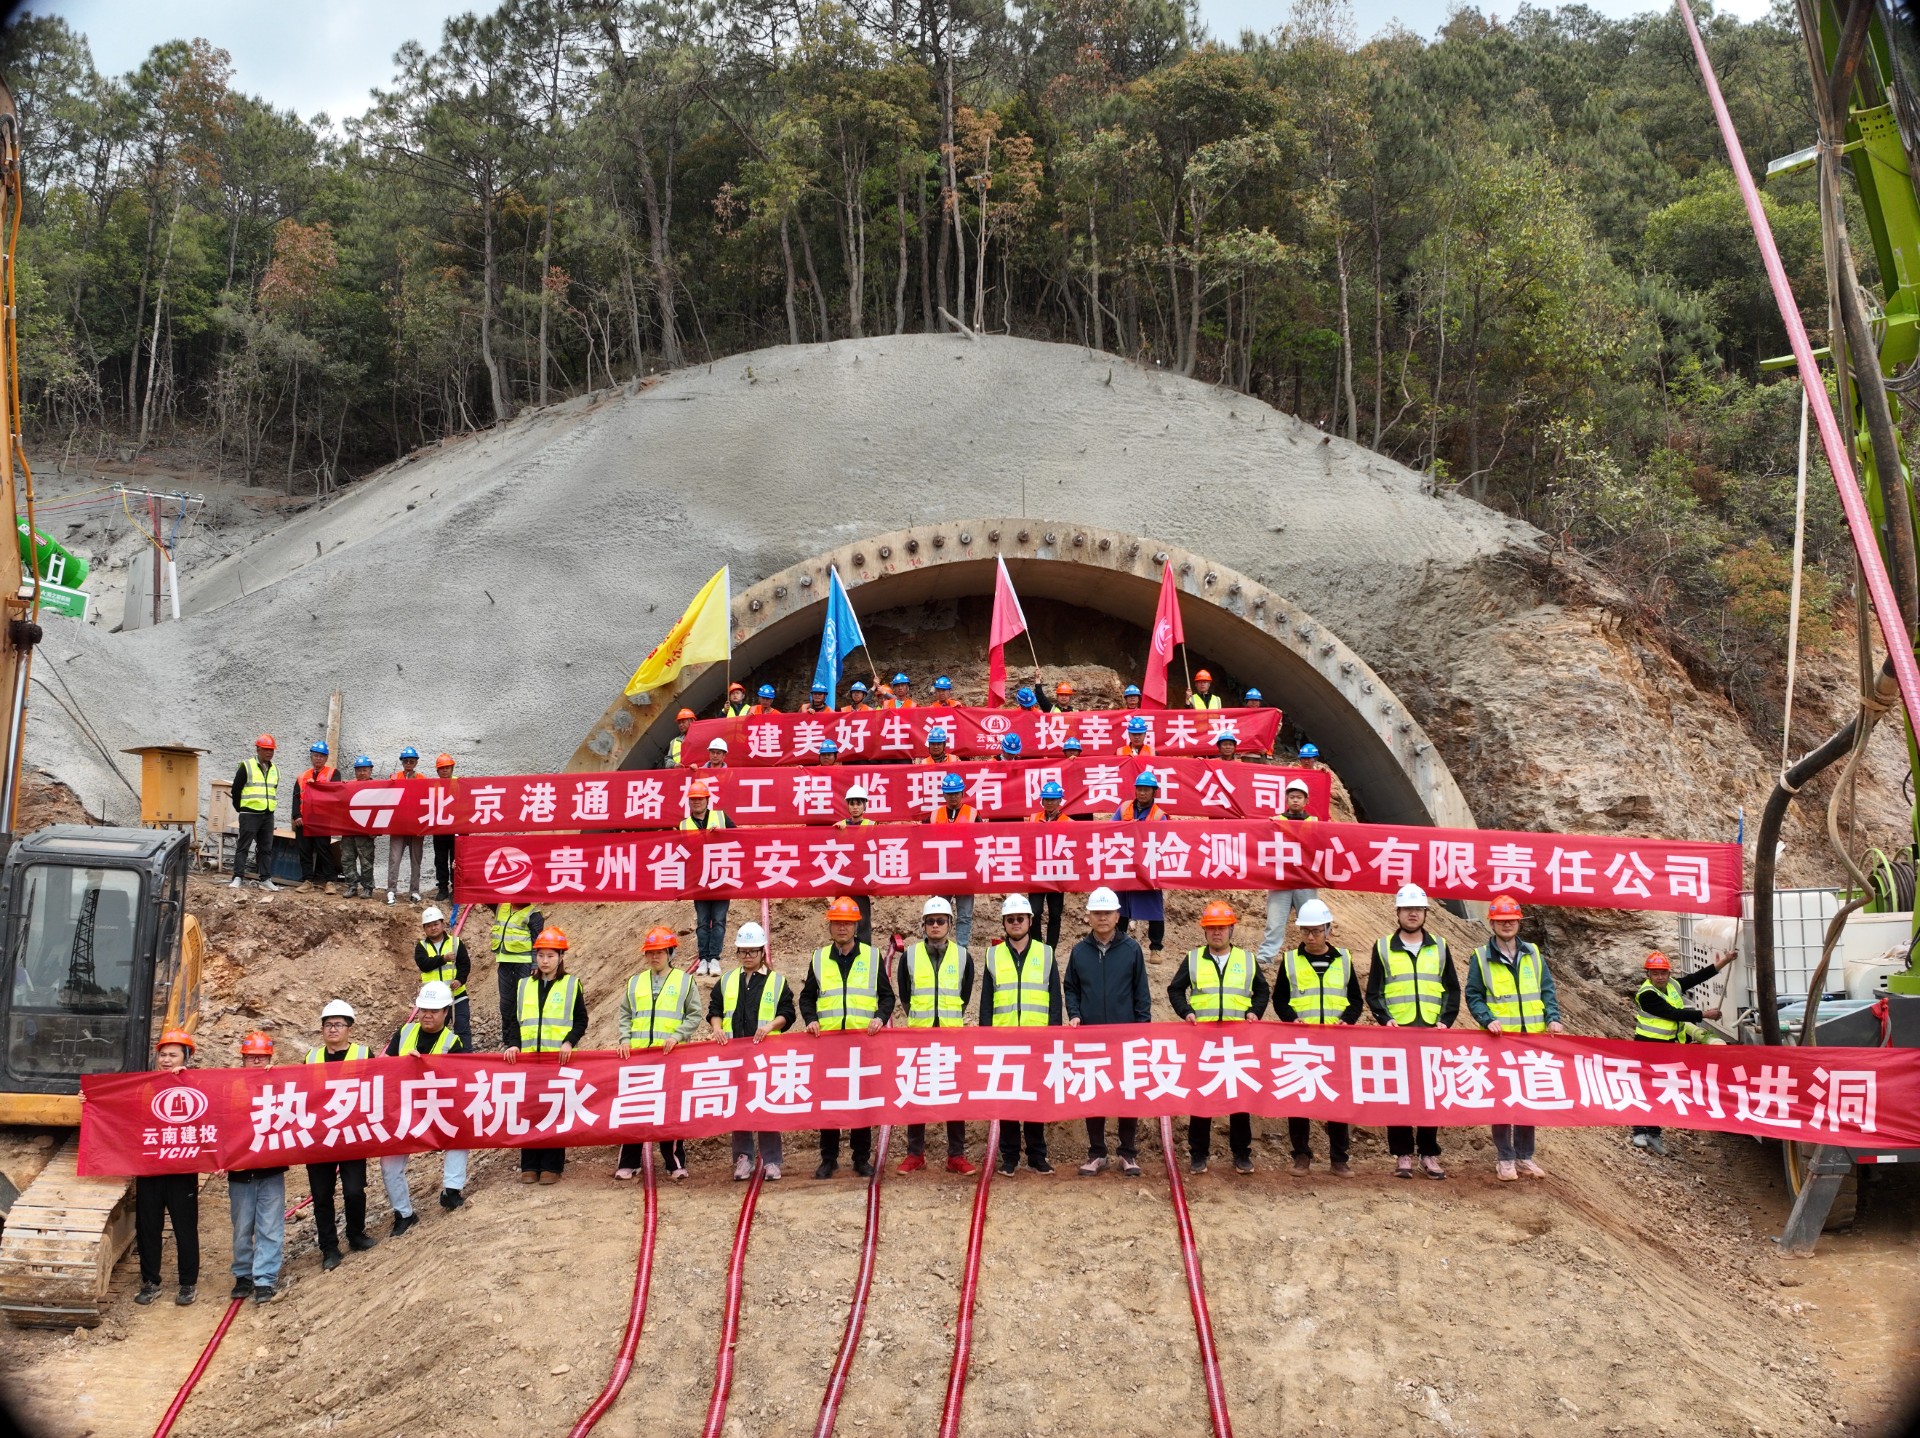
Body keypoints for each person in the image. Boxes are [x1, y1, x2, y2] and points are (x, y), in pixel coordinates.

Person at [1464, 895, 1564, 1181]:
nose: (1507, 924)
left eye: (1511, 919)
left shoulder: (1532, 952)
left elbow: (1547, 990)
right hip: (1500, 1041)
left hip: (1531, 1040)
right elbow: (1473, 996)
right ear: (1492, 923)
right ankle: (1505, 1158)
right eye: (1501, 920)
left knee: (1527, 1100)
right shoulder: (1481, 957)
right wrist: (1487, 1020)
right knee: (1503, 1100)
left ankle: (1524, 1157)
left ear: (1519, 921)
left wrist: (1553, 1018)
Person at [1365, 884, 1459, 1178]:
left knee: (1429, 1094)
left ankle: (1429, 1154)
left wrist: (1446, 1020)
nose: (1413, 914)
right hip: (1398, 1033)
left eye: (1417, 909)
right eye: (1407, 909)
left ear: (1425, 912)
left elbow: (1452, 990)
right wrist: (1384, 1019)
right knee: (1400, 1095)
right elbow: (1374, 992)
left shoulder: (1440, 947)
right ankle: (1403, 1154)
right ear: (1398, 913)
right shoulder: (1383, 948)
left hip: (1432, 1031)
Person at [1169, 901, 1270, 1175]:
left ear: (1231, 929)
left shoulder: (1246, 960)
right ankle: (1198, 1155)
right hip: (1203, 1041)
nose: (1217, 933)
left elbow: (1262, 991)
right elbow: (1175, 990)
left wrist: (1254, 1012)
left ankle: (1241, 1155)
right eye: (1212, 928)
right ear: (1204, 931)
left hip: (1237, 1040)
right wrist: (1186, 1011)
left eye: (1222, 927)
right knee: (1202, 1098)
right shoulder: (1193, 959)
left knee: (1239, 1099)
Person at [800, 896, 895, 1178]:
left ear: (857, 926)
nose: (842, 928)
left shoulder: (872, 956)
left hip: (861, 1042)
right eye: (837, 923)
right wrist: (811, 1019)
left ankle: (861, 1158)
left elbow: (887, 996)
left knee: (860, 1102)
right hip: (829, 1044)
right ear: (830, 927)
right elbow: (807, 998)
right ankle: (828, 1159)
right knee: (829, 1102)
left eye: (848, 923)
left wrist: (879, 1017)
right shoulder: (819, 959)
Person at [1063, 887, 1152, 1175]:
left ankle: (1127, 1153)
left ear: (1117, 915)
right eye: (1097, 913)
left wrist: (1142, 1027)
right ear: (1088, 917)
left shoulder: (1131, 950)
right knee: (1094, 1092)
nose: (1102, 918)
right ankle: (1097, 1153)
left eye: (1108, 913)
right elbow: (1071, 988)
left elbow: (1141, 992)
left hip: (1125, 1035)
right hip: (1091, 1035)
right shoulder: (1079, 952)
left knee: (1128, 1092)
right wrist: (1075, 1015)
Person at [1273, 898, 1361, 1174]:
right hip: (1302, 1043)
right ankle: (1301, 1155)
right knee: (1299, 1100)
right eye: (1305, 931)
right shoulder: (1290, 961)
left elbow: (1356, 1000)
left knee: (1337, 1100)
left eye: (1316, 931)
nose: (1310, 937)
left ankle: (1339, 1158)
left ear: (1328, 930)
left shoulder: (1344, 960)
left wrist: (1347, 1021)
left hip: (1336, 1042)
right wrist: (1291, 1019)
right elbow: (1280, 1000)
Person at [979, 894, 1061, 1174]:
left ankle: (1037, 1156)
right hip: (1004, 1041)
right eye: (1010, 919)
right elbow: (986, 1001)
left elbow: (1054, 999)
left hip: (1037, 1039)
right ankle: (1010, 1158)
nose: (1015, 923)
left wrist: (1053, 1035)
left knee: (1035, 1100)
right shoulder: (993, 954)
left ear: (1030, 921)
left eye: (1020, 919)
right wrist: (985, 1036)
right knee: (1008, 1102)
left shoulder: (1046, 953)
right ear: (1004, 922)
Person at [896, 897, 976, 1175]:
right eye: (930, 921)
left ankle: (956, 1155)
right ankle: (915, 1154)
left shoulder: (964, 956)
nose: (935, 925)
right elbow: (905, 995)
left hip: (951, 1036)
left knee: (954, 1095)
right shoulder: (909, 956)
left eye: (941, 921)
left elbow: (964, 995)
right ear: (923, 925)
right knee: (916, 1093)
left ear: (950, 924)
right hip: (919, 1036)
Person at [616, 927, 703, 1181]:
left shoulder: (684, 981)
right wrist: (625, 1039)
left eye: (660, 952)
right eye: (650, 953)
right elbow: (625, 1014)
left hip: (670, 1058)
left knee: (669, 1112)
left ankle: (675, 1163)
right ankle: (629, 1162)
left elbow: (694, 1014)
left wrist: (677, 1036)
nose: (655, 957)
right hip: (640, 1058)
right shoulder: (635, 982)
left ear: (670, 953)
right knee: (633, 1110)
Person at [710, 921, 795, 1180]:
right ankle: (743, 1158)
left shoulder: (777, 982)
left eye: (752, 951)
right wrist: (716, 1027)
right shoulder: (727, 981)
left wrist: (770, 1026)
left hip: (765, 1057)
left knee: (765, 1107)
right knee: (739, 1108)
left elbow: (788, 1013)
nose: (747, 956)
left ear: (762, 952)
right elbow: (714, 1010)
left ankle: (771, 1161)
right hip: (735, 1056)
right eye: (743, 951)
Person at [381, 982, 469, 1227]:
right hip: (404, 1109)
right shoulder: (405, 1033)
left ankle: (452, 1191)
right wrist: (402, 1064)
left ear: (445, 1013)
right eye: (423, 1009)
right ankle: (404, 1214)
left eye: (433, 1010)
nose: (427, 1015)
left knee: (461, 1135)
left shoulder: (454, 1043)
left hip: (436, 1108)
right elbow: (384, 1068)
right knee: (389, 1164)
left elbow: (458, 1080)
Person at [504, 928, 587, 1184]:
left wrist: (569, 1042)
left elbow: (581, 1020)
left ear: (560, 957)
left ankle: (551, 1166)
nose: (544, 960)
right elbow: (513, 1021)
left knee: (553, 1111)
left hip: (556, 1062)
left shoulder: (571, 984)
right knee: (530, 1111)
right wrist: (513, 1044)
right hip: (529, 1061)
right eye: (540, 955)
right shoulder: (523, 986)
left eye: (550, 955)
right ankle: (529, 1165)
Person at [1630, 948, 1732, 1154]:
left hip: (1668, 1047)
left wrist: (1723, 963)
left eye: (1663, 973)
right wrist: (1704, 1014)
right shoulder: (1647, 994)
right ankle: (1639, 1131)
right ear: (1648, 974)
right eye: (1655, 973)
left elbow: (1696, 978)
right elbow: (1671, 1013)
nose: (1660, 977)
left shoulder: (1673, 985)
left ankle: (1654, 1133)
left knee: (1663, 1088)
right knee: (1646, 1087)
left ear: (1669, 973)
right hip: (1647, 1046)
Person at [304, 1000, 376, 1271]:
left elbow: (378, 1087)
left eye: (338, 1024)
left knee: (354, 1190)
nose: (332, 1029)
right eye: (328, 1025)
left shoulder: (363, 1053)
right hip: (320, 1137)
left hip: (352, 1134)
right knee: (322, 1196)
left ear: (349, 1028)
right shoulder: (311, 1058)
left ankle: (356, 1234)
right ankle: (329, 1248)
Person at [135, 1029, 201, 1305]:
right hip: (150, 1167)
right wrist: (89, 1098)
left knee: (185, 1227)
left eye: (173, 1055)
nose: (166, 1060)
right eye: (162, 1054)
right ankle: (150, 1282)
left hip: (182, 1169)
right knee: (148, 1227)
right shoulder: (145, 1084)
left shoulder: (197, 1085)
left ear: (186, 1057)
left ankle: (188, 1284)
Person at [226, 1032, 288, 1302]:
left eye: (261, 1057)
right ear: (243, 1059)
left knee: (270, 1226)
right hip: (240, 1172)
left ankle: (265, 1278)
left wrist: (278, 1080)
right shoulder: (230, 1087)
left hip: (271, 1169)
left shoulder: (280, 1084)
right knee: (242, 1227)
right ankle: (243, 1274)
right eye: (251, 1057)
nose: (256, 1061)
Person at [1256, 779, 1319, 967]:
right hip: (1280, 880)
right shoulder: (1275, 821)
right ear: (1286, 799)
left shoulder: (1316, 823)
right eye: (1292, 797)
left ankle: (1314, 954)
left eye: (1299, 797)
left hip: (1304, 880)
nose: (1295, 801)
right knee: (1275, 922)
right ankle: (1266, 957)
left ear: (1306, 800)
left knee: (1311, 920)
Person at [682, 781, 736, 977]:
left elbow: (740, 837)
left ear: (707, 800)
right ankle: (703, 959)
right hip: (699, 880)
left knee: (719, 920)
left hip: (721, 876)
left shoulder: (720, 817)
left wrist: (721, 835)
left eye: (700, 799)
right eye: (693, 799)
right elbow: (680, 851)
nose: (697, 802)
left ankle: (715, 959)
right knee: (703, 922)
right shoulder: (683, 825)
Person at [1109, 772, 1167, 952]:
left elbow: (1162, 841)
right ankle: (1118, 943)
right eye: (1139, 789)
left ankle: (1155, 948)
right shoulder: (1124, 807)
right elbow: (1110, 830)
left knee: (1154, 908)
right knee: (1121, 906)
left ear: (1154, 792)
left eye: (1146, 790)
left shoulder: (1159, 815)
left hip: (1147, 867)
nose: (1142, 793)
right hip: (1125, 863)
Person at [928, 774, 978, 947]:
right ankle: (937, 945)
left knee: (964, 915)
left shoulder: (973, 814)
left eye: (956, 793)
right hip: (941, 872)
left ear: (963, 792)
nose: (953, 797)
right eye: (949, 793)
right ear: (943, 794)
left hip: (965, 872)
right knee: (938, 911)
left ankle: (962, 949)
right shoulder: (934, 815)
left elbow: (982, 840)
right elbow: (921, 840)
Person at [414, 905, 473, 1049]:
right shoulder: (421, 947)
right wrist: (443, 958)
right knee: (433, 1033)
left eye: (436, 924)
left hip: (456, 996)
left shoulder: (455, 942)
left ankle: (466, 1061)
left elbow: (465, 965)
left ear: (442, 924)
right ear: (424, 928)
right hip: (434, 1003)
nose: (433, 928)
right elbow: (424, 964)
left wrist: (459, 980)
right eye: (429, 926)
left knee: (462, 1031)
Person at [1026, 781, 1075, 948]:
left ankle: (1051, 948)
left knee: (1055, 913)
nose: (1049, 802)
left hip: (1057, 874)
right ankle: (1038, 945)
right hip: (1037, 872)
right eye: (1046, 799)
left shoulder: (1068, 822)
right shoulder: (1033, 818)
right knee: (1035, 911)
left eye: (1053, 799)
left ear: (1060, 800)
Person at [489, 899, 545, 1045]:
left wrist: (535, 964)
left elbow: (537, 941)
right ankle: (508, 1041)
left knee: (523, 1002)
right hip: (504, 962)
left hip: (524, 964)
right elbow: (486, 895)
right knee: (506, 1003)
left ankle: (524, 1040)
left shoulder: (534, 914)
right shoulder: (501, 906)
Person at [229, 734, 281, 891]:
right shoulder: (247, 766)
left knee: (266, 848)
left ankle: (265, 879)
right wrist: (241, 808)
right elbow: (236, 789)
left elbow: (273, 790)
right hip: (249, 814)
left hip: (267, 814)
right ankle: (238, 877)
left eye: (271, 750)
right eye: (266, 749)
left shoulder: (274, 769)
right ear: (258, 749)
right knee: (243, 846)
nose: (269, 753)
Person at [291, 741, 338, 892]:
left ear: (326, 758)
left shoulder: (333, 774)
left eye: (321, 756)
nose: (318, 759)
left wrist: (316, 785)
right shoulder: (302, 776)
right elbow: (296, 797)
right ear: (311, 757)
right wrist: (296, 815)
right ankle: (307, 880)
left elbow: (335, 793)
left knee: (324, 849)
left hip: (321, 820)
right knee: (304, 850)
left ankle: (330, 881)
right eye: (315, 755)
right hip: (304, 820)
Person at [835, 785, 877, 946]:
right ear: (847, 805)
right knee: (841, 916)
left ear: (864, 805)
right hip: (844, 880)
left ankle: (865, 950)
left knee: (863, 918)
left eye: (858, 803)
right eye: (852, 803)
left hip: (861, 879)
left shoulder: (872, 825)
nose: (855, 807)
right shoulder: (839, 826)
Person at [385, 746, 427, 904]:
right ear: (402, 762)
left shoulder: (423, 778)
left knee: (416, 860)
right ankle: (391, 890)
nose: (408, 763)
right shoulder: (394, 777)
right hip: (398, 826)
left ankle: (415, 891)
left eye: (412, 761)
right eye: (406, 761)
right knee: (394, 859)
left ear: (416, 762)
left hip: (416, 827)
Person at [339, 755, 377, 898]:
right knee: (347, 859)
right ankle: (351, 886)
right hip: (348, 830)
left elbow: (381, 809)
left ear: (370, 771)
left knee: (366, 862)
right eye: (359, 770)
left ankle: (368, 888)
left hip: (366, 832)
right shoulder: (348, 786)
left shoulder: (377, 788)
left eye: (364, 770)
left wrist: (376, 830)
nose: (361, 773)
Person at [431, 753, 458, 900]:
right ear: (437, 771)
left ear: (452, 768)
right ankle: (442, 888)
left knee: (456, 860)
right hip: (440, 829)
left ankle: (456, 889)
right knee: (440, 860)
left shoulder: (460, 783)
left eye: (447, 767)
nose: (445, 770)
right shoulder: (434, 785)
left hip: (457, 829)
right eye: (442, 768)